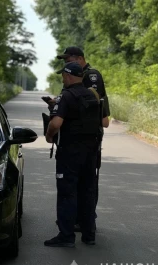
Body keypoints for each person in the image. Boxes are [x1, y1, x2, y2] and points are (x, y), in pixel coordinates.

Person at [44, 61, 100, 247]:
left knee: (68, 193)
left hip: (70, 152)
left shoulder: (66, 96)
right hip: (91, 152)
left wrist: (49, 135)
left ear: (68, 76)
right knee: (87, 192)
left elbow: (56, 123)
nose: (62, 78)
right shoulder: (92, 94)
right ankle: (89, 234)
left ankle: (66, 236)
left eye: (63, 75)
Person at [56, 46, 110, 231]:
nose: (66, 63)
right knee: (80, 181)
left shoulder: (91, 75)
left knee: (87, 183)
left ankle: (86, 220)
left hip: (87, 135)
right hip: (77, 135)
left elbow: (92, 106)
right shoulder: (76, 75)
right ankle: (79, 220)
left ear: (79, 59)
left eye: (68, 59)